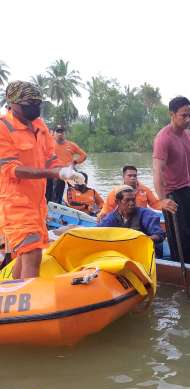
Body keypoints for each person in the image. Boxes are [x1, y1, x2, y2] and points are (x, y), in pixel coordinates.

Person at [0, 80, 84, 279]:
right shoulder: (3, 128)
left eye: (38, 103)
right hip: (14, 202)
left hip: (38, 202)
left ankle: (13, 298)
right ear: (12, 104)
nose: (35, 108)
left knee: (25, 253)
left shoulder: (40, 126)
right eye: (30, 104)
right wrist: (54, 174)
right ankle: (30, 305)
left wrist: (66, 172)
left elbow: (50, 158)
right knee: (32, 251)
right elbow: (13, 170)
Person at [152, 96, 190, 264]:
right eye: (184, 115)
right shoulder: (163, 138)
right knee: (179, 235)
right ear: (172, 114)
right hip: (171, 193)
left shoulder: (188, 136)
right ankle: (179, 265)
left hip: (187, 188)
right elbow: (157, 170)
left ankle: (189, 262)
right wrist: (162, 200)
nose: (188, 119)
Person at [98, 186, 165, 257]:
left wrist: (140, 240)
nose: (132, 203)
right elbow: (97, 232)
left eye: (133, 200)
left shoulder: (146, 214)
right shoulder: (111, 218)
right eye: (127, 200)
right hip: (124, 254)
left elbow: (159, 235)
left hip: (147, 254)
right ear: (117, 202)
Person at [97, 165, 172, 221]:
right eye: (129, 176)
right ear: (123, 177)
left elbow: (155, 203)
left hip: (142, 219)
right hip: (123, 220)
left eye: (134, 176)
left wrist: (166, 205)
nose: (133, 178)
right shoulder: (116, 192)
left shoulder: (144, 189)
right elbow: (107, 208)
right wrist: (102, 214)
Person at [46, 125, 87, 204]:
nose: (60, 134)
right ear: (53, 133)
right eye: (58, 131)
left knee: (82, 177)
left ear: (65, 133)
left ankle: (80, 203)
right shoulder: (49, 145)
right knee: (56, 183)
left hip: (69, 170)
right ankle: (55, 203)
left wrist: (75, 162)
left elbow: (84, 155)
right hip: (57, 172)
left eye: (62, 131)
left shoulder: (71, 145)